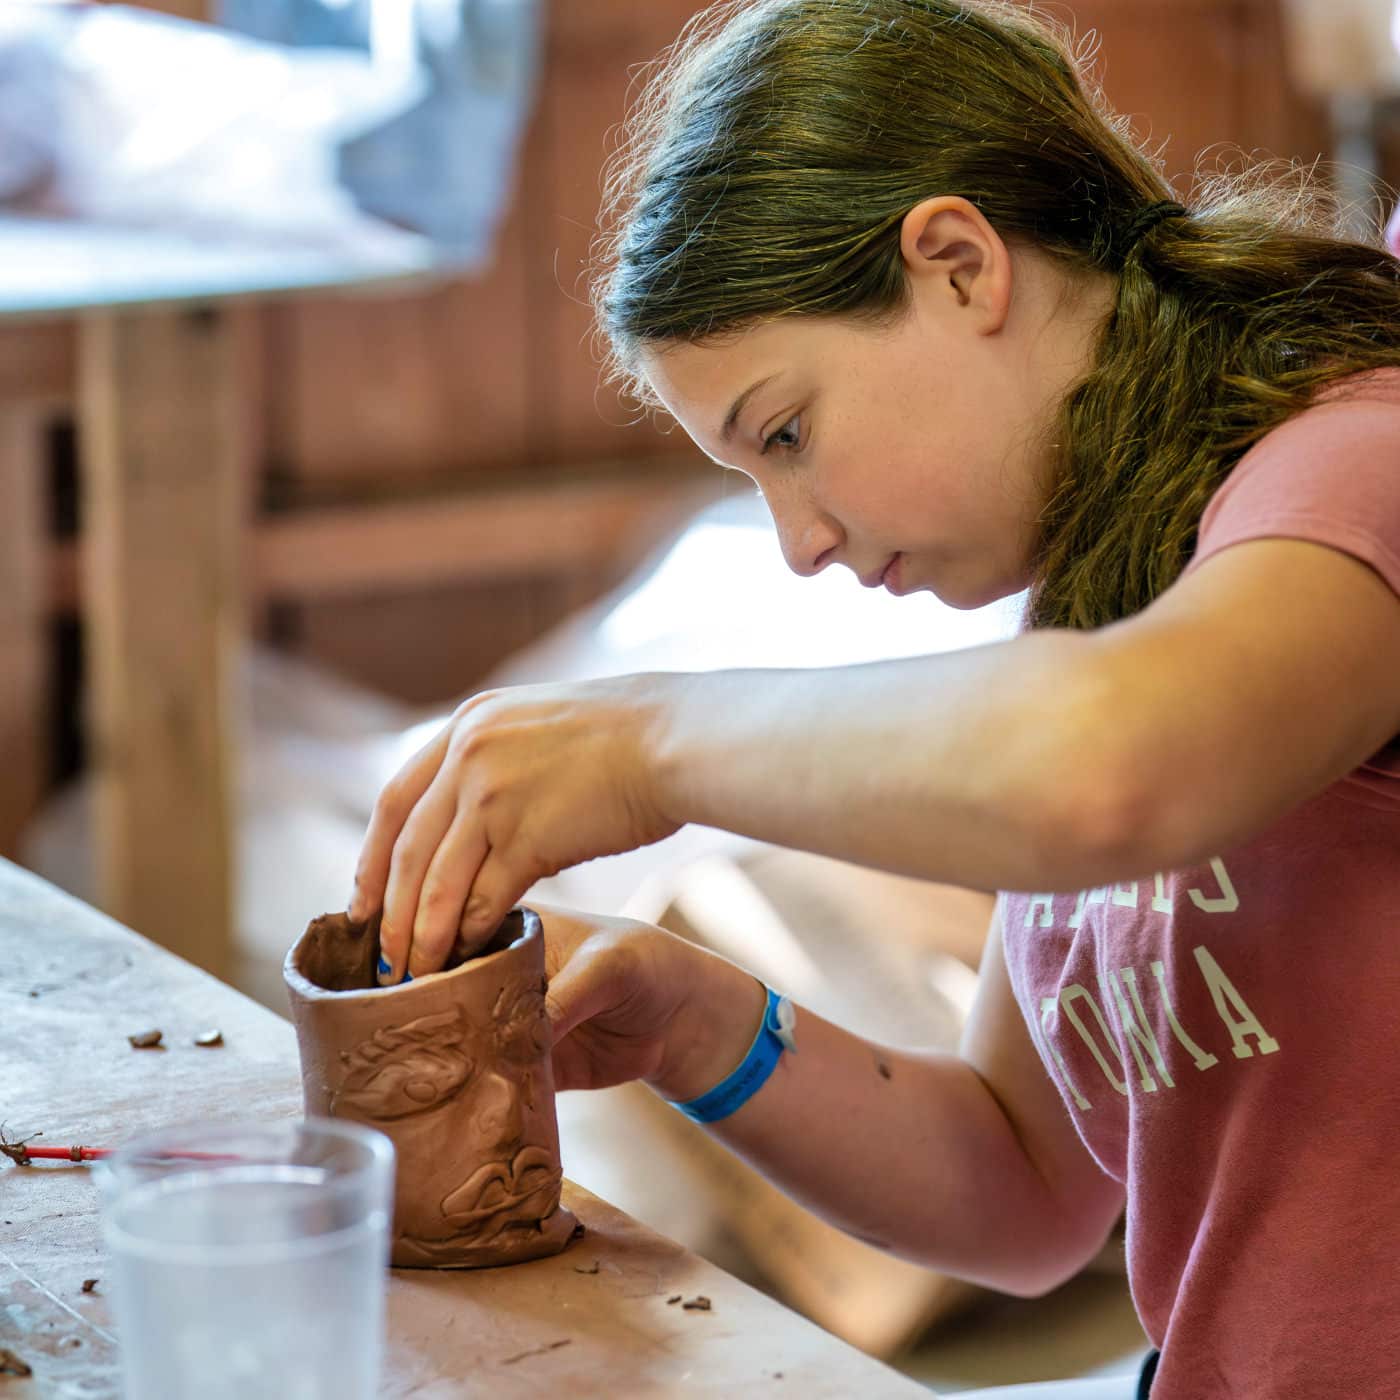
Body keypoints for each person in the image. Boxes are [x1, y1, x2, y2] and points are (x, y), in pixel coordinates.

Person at [345, 2, 1400, 1395]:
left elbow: (1115, 769)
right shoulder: (1107, 591)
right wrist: (699, 1025)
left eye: (787, 433)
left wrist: (650, 740)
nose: (802, 541)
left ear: (961, 265)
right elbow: (1023, 1192)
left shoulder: (1351, 462)